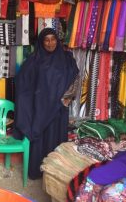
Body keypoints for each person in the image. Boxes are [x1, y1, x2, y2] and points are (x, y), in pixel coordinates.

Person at [13, 28, 79, 179]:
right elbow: (22, 82)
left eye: (53, 39)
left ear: (58, 40)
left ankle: (55, 174)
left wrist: (68, 97)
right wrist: (29, 102)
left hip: (59, 109)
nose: (50, 43)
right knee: (40, 140)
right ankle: (38, 171)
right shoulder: (34, 60)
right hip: (40, 109)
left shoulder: (67, 59)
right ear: (42, 42)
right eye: (46, 40)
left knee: (56, 139)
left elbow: (75, 77)